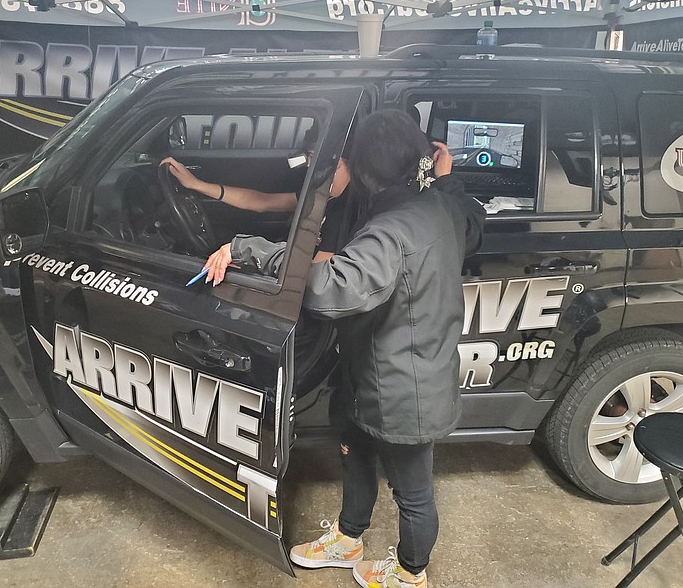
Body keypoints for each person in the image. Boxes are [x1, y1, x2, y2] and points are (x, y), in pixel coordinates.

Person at [202, 110, 485, 588]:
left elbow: (333, 290)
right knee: (354, 450)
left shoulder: (390, 230)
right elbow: (471, 219)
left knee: (413, 494)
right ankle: (349, 538)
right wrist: (446, 178)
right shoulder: (442, 206)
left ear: (363, 170)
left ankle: (410, 574)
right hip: (372, 372)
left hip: (403, 390)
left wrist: (253, 249)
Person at [159, 153, 350, 262]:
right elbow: (261, 201)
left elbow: (317, 276)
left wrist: (251, 258)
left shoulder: (343, 213)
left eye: (311, 159)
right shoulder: (324, 196)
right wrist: (197, 185)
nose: (308, 167)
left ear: (338, 162)